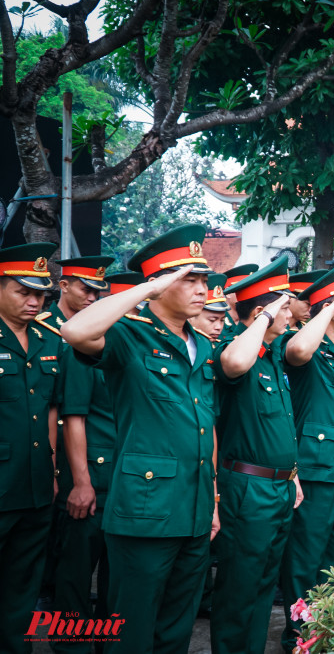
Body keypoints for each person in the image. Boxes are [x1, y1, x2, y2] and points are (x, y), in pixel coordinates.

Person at [61, 225, 220, 654]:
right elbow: (75, 333)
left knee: (176, 628)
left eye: (203, 279)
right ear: (159, 283)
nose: (202, 289)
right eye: (189, 279)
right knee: (130, 628)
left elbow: (207, 427)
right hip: (145, 511)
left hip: (194, 508)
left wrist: (214, 501)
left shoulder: (202, 347)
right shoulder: (130, 336)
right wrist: (149, 289)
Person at [210, 257, 304, 654]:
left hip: (279, 486)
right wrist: (264, 318)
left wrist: (292, 474)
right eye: (284, 306)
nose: (292, 312)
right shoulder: (236, 349)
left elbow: (278, 427)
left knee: (265, 583)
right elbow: (233, 363)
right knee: (240, 585)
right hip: (247, 488)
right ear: (261, 311)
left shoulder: (273, 355)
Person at [278, 262, 334, 651]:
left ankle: (326, 625)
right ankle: (298, 633)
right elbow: (296, 350)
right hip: (316, 470)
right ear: (331, 305)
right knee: (306, 557)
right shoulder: (305, 343)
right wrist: (328, 308)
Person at [49, 258, 119, 654]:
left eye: (99, 293)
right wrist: (80, 482)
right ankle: (70, 646)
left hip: (122, 481)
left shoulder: (112, 339)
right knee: (75, 572)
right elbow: (73, 416)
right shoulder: (81, 349)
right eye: (87, 290)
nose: (94, 298)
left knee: (116, 574)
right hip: (89, 476)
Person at [0, 243, 62, 654]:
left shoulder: (48, 338)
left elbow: (53, 409)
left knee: (23, 579)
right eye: (24, 291)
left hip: (36, 482)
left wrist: (54, 473)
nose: (34, 300)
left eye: (40, 293)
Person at [190, 272, 231, 342]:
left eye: (222, 320)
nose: (219, 327)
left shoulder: (218, 346)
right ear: (190, 317)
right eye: (212, 320)